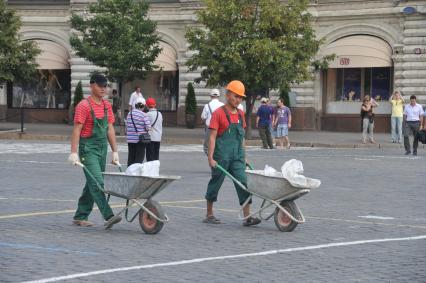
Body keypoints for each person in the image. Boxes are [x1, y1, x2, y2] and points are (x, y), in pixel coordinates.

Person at [68, 74, 121, 229]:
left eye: (105, 86)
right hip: (88, 149)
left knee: (92, 182)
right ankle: (109, 216)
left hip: (102, 148)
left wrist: (115, 151)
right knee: (97, 182)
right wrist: (73, 152)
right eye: (100, 85)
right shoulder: (83, 106)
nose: (103, 88)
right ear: (91, 86)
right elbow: (76, 130)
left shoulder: (107, 106)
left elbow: (110, 129)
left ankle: (80, 215)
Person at [205, 80, 261, 227]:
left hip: (237, 156)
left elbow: (241, 137)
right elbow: (212, 137)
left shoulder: (241, 114)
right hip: (221, 156)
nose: (238, 100)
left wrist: (244, 155)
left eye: (240, 97)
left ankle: (247, 216)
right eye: (235, 96)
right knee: (215, 183)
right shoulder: (218, 114)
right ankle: (209, 214)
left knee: (244, 183)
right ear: (228, 94)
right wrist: (210, 158)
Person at [126, 97, 151, 166]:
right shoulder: (143, 115)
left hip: (130, 139)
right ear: (143, 105)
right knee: (138, 159)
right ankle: (136, 173)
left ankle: (130, 172)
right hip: (140, 140)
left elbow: (127, 125)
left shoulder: (129, 114)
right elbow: (148, 128)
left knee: (131, 157)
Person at [201, 89, 224, 155]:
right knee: (219, 143)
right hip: (220, 127)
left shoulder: (207, 106)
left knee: (207, 146)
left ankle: (211, 158)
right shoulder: (222, 105)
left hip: (210, 127)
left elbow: (203, 117)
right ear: (219, 96)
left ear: (211, 96)